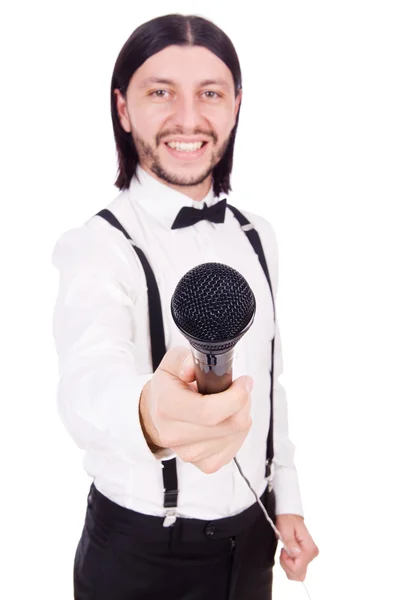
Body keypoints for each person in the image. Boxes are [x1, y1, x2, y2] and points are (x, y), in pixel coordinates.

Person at [52, 13, 319, 600]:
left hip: (253, 544)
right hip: (141, 557)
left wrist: (287, 502)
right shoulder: (96, 245)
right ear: (122, 108)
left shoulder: (258, 234)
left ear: (236, 105)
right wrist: (149, 414)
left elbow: (269, 383)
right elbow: (87, 381)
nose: (189, 119)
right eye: (160, 92)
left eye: (210, 93)